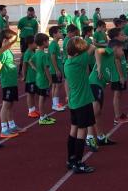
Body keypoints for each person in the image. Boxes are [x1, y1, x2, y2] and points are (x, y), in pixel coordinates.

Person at [64, 36, 97, 174]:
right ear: (78, 52)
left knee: (73, 130)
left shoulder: (68, 62)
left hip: (73, 102)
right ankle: (78, 161)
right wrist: (86, 42)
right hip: (83, 101)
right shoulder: (80, 60)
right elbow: (93, 47)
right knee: (82, 131)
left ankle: (70, 159)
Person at [0, 29, 22, 138]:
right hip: (7, 83)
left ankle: (11, 125)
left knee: (10, 105)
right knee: (6, 105)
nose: (13, 43)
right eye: (12, 41)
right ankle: (4, 129)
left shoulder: (8, 51)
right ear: (5, 40)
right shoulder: (2, 53)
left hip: (12, 82)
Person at [32, 33, 56, 125]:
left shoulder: (37, 53)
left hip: (39, 78)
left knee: (43, 98)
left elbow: (30, 61)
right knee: (42, 99)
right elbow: (46, 69)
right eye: (47, 41)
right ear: (43, 42)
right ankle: (42, 117)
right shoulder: (43, 55)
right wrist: (50, 80)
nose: (48, 43)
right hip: (44, 80)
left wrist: (36, 69)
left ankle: (43, 115)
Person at [48, 26, 67, 112]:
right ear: (54, 34)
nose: (61, 33)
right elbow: (52, 57)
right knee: (57, 86)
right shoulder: (53, 44)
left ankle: (55, 103)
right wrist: (56, 69)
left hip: (56, 68)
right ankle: (55, 104)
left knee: (56, 86)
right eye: (59, 32)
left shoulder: (55, 44)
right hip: (55, 69)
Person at [17, 6, 39, 75]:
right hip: (23, 39)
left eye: (31, 14)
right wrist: (18, 36)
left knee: (33, 55)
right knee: (23, 55)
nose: (30, 15)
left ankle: (33, 69)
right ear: (27, 12)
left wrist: (35, 40)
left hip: (32, 40)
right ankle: (21, 69)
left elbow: (36, 31)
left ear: (33, 13)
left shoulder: (35, 21)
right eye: (29, 14)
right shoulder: (22, 20)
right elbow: (19, 28)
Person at [22, 36, 38, 118]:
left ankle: (33, 109)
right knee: (30, 94)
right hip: (30, 78)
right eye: (35, 43)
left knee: (33, 94)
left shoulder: (33, 52)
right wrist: (24, 76)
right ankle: (30, 110)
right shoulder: (27, 53)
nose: (36, 44)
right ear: (30, 44)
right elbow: (24, 66)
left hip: (35, 77)